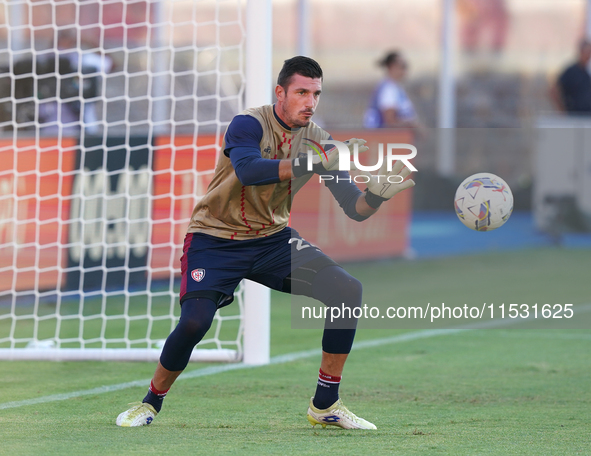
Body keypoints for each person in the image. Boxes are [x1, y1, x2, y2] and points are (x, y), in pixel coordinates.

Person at [116, 56, 415, 430]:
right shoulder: (248, 123)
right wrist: (313, 161)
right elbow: (249, 171)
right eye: (301, 92)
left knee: (346, 290)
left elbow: (353, 209)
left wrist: (375, 196)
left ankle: (325, 404)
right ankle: (150, 402)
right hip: (215, 238)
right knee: (195, 322)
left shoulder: (320, 141)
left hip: (272, 241)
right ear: (280, 92)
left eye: (316, 94)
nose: (310, 101)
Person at [38, 30, 112, 135]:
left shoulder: (84, 61)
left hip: (80, 129)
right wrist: (88, 41)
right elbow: (110, 62)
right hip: (50, 130)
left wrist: (88, 40)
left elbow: (110, 63)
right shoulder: (43, 62)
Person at [364, 51, 421, 131]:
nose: (404, 71)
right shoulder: (388, 89)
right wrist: (412, 126)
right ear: (392, 67)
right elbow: (390, 121)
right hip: (386, 138)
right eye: (402, 67)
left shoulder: (396, 88)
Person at [550, 40, 591, 115]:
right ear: (581, 52)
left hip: (586, 116)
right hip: (574, 117)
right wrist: (562, 111)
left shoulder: (586, 73)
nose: (589, 55)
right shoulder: (571, 71)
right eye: (587, 52)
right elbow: (554, 91)